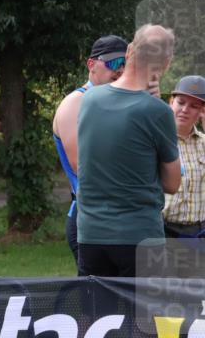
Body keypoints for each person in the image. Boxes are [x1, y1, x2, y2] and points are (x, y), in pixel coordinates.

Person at [76, 24, 181, 277]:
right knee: (142, 315)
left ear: (130, 50)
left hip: (90, 234)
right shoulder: (158, 112)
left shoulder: (89, 99)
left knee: (95, 315)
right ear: (165, 64)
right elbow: (172, 183)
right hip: (139, 237)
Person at [52, 35, 128, 262]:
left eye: (126, 64)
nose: (120, 70)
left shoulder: (121, 105)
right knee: (96, 297)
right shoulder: (75, 104)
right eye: (114, 63)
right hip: (91, 219)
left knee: (129, 297)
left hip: (123, 220)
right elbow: (83, 168)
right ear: (91, 65)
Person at [162, 75, 205, 238]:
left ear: (202, 111)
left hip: (200, 233)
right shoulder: (157, 142)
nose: (185, 109)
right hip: (165, 231)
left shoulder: (203, 143)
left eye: (194, 106)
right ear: (171, 102)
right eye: (180, 102)